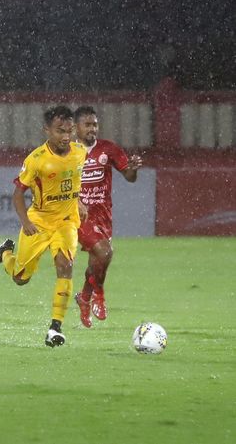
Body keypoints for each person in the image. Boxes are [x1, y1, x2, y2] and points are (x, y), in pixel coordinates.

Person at [0, 105, 87, 347]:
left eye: (69, 131)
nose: (65, 136)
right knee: (20, 278)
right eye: (59, 131)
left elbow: (74, 180)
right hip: (39, 223)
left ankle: (55, 328)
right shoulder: (36, 160)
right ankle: (5, 251)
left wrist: (80, 201)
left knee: (65, 266)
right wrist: (26, 222)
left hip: (66, 222)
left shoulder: (80, 152)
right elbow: (17, 195)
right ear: (47, 130)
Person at [73, 106, 143, 328]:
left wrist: (133, 169)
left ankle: (84, 297)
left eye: (95, 124)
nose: (92, 128)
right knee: (104, 252)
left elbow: (129, 177)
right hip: (78, 216)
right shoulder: (70, 152)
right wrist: (75, 200)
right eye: (87, 124)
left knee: (99, 260)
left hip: (103, 215)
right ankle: (98, 296)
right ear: (76, 127)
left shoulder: (108, 149)